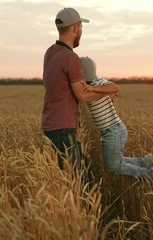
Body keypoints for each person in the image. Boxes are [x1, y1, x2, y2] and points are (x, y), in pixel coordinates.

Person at [41, 8, 104, 182]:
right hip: (63, 128)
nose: (81, 31)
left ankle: (76, 208)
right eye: (81, 26)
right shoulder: (71, 58)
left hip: (50, 124)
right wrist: (106, 92)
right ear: (75, 28)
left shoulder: (50, 52)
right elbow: (82, 97)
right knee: (83, 181)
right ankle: (85, 209)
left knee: (68, 177)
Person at [80, 56, 153, 179]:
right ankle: (145, 162)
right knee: (114, 162)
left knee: (113, 166)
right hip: (110, 131)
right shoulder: (88, 87)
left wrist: (94, 88)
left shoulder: (98, 83)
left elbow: (115, 87)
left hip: (113, 130)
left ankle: (150, 175)